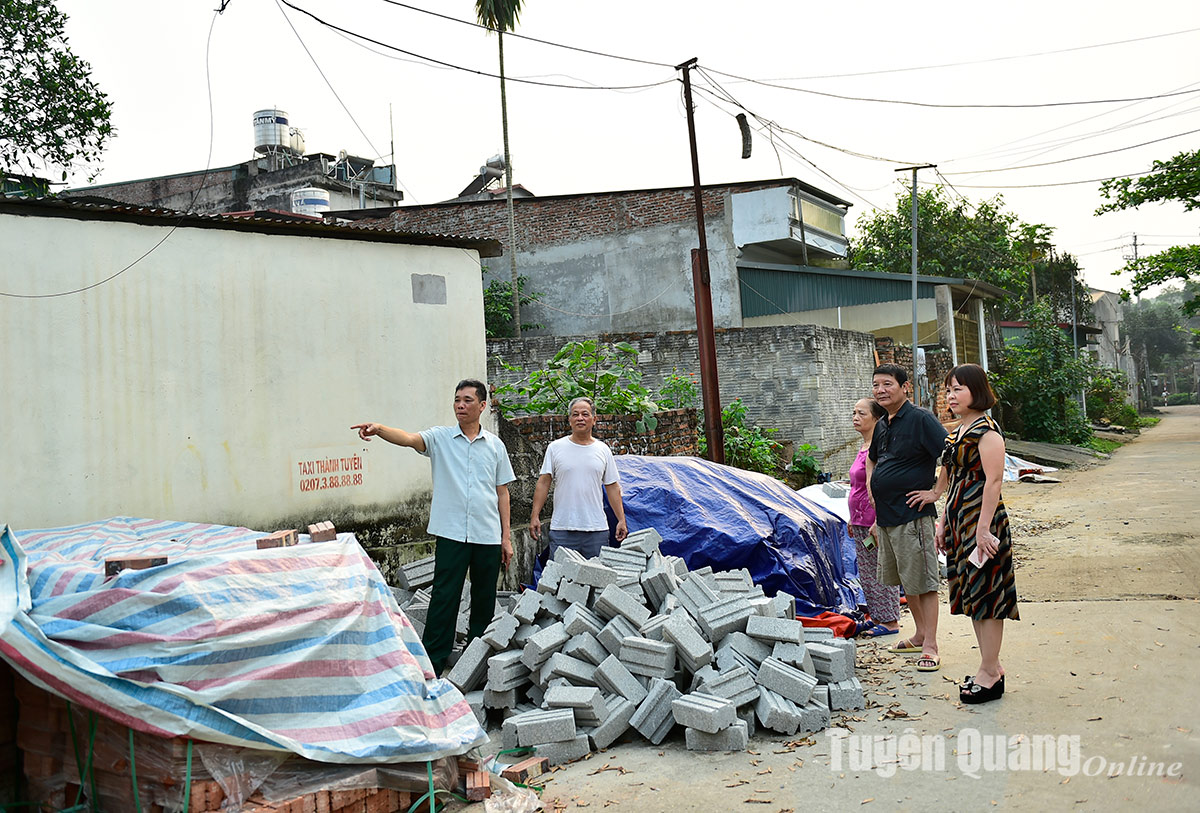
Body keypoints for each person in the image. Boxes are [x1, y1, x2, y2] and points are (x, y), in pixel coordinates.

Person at [351, 379, 514, 677]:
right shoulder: (440, 438)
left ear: (482, 405)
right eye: (457, 400)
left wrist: (506, 538)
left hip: (487, 535)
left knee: (484, 600)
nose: (460, 405)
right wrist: (380, 429)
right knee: (444, 598)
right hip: (451, 533)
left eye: (467, 400)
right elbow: (408, 439)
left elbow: (502, 492)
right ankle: (432, 664)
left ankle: (475, 664)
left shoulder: (495, 446)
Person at [918, 364, 1019, 704]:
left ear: (977, 391)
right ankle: (992, 666)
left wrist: (983, 529)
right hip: (961, 520)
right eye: (948, 389)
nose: (950, 395)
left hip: (982, 522)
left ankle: (989, 672)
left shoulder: (987, 433)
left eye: (958, 389)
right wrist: (944, 522)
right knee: (973, 595)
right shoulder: (958, 432)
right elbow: (953, 479)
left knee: (988, 596)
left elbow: (993, 481)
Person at [865, 363, 949, 673]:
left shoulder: (920, 419)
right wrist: (873, 490)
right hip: (887, 517)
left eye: (887, 384)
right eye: (876, 385)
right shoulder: (883, 424)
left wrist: (936, 492)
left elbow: (951, 455)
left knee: (924, 582)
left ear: (905, 387)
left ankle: (931, 646)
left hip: (913, 515)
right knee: (907, 581)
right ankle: (919, 634)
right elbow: (872, 460)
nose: (881, 390)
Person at [529, 396, 628, 560]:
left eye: (585, 414)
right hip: (562, 529)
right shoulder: (555, 448)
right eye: (575, 414)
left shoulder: (603, 450)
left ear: (594, 419)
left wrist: (621, 520)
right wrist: (534, 516)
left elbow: (612, 487)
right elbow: (543, 483)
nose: (580, 418)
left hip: (596, 530)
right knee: (560, 575)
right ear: (569, 420)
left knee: (597, 574)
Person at [848, 397, 901, 637]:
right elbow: (857, 486)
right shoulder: (863, 447)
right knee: (867, 573)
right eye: (854, 413)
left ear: (877, 419)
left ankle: (890, 621)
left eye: (862, 413)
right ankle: (877, 616)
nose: (855, 418)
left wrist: (878, 521)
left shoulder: (880, 449)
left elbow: (886, 487)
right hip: (859, 520)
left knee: (883, 570)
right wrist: (852, 517)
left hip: (875, 520)